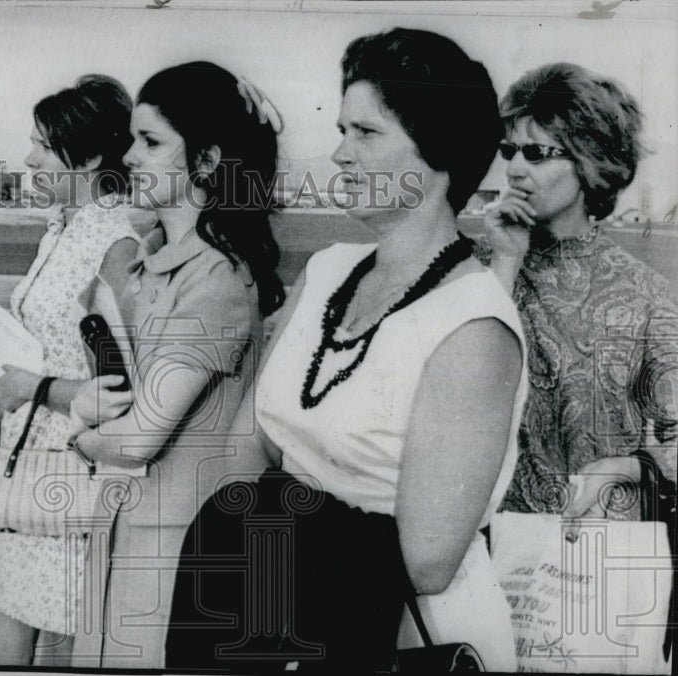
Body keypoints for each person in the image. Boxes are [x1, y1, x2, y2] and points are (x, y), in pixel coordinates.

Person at [166, 29, 528, 673]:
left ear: (439, 152)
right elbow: (248, 444)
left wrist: (275, 529)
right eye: (342, 130)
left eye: (366, 133)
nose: (340, 153)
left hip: (393, 638)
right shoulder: (328, 271)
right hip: (257, 614)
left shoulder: (473, 327)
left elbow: (429, 558)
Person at [66, 61, 285, 669]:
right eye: (133, 139)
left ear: (207, 161)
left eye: (151, 141)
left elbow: (139, 437)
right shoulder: (152, 263)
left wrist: (79, 432)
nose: (129, 156)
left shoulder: (216, 280)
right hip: (125, 533)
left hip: (175, 554)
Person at [483, 63, 676, 626]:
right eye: (509, 150)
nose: (514, 168)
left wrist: (627, 466)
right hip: (474, 553)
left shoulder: (644, 295)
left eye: (538, 153)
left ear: (590, 164)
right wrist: (504, 263)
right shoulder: (475, 273)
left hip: (595, 565)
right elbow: (457, 393)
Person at [0, 75, 141, 667]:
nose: (28, 160)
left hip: (71, 476)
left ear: (90, 157)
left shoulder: (117, 245)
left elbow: (124, 384)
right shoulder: (62, 231)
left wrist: (35, 388)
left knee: (57, 644)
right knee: (4, 631)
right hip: (26, 464)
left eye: (43, 146)